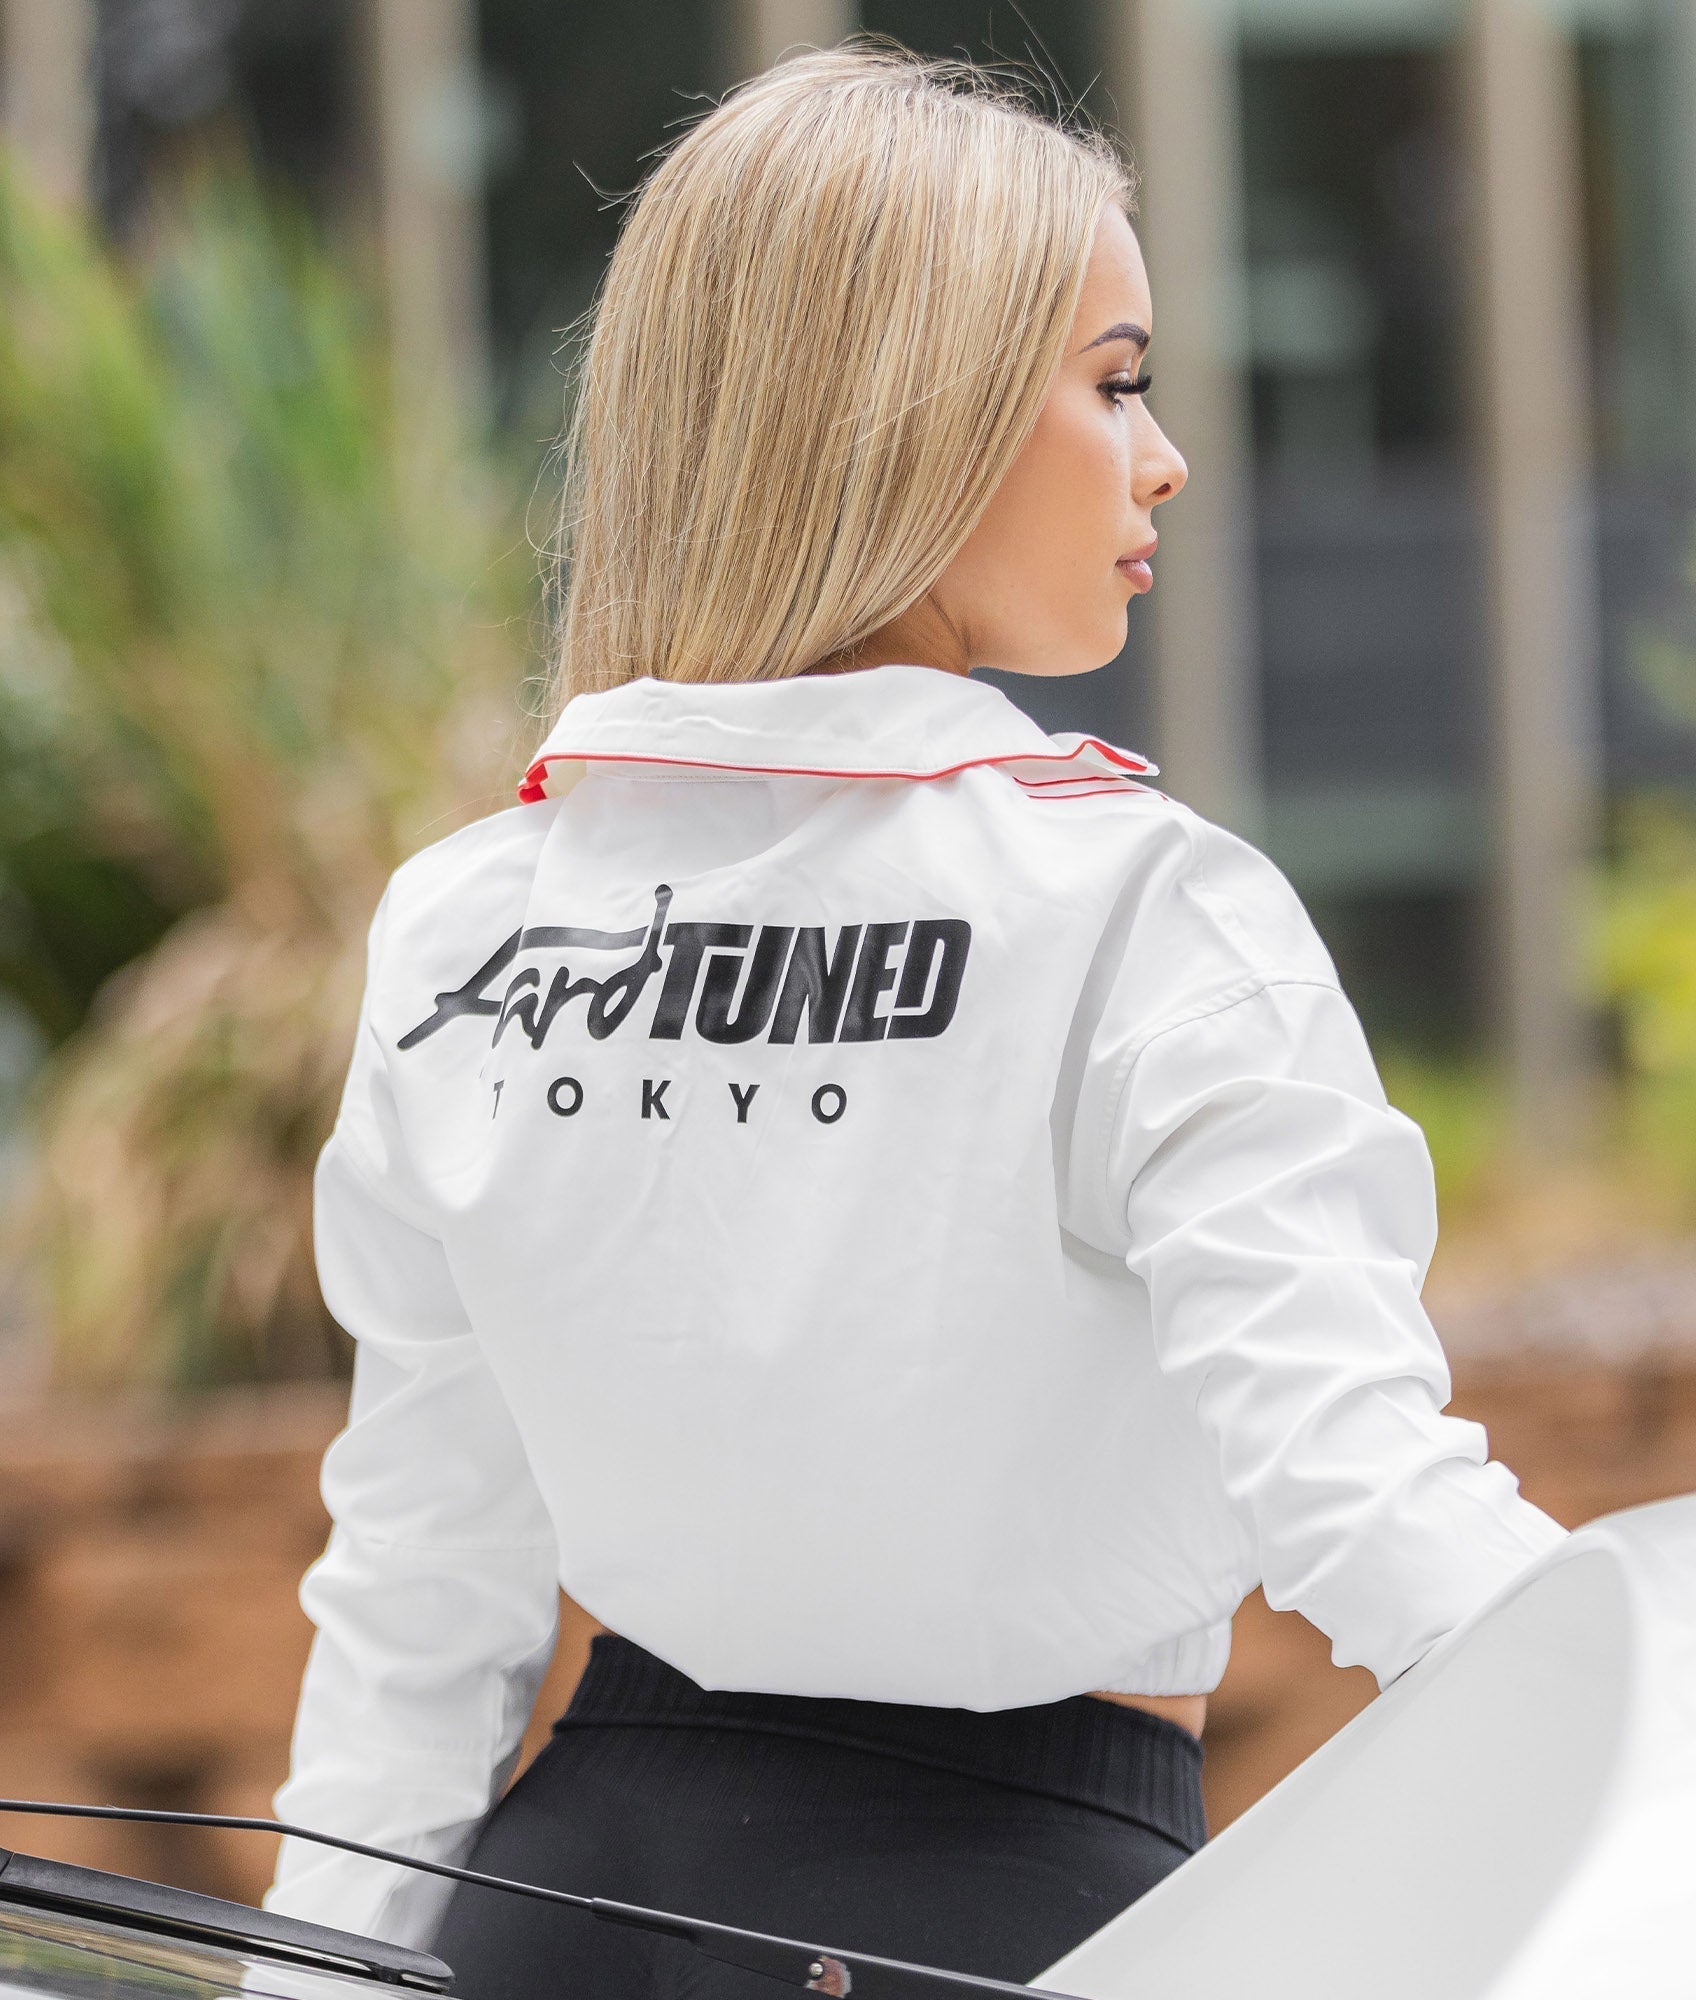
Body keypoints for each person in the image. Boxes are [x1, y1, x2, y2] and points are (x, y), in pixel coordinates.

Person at [263, 39, 1569, 1999]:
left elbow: (417, 1590)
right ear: (913, 413)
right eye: (1113, 381)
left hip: (547, 1922)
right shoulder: (1139, 910)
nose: (1164, 458)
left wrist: (304, 1982)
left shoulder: (467, 923)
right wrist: (1636, 1722)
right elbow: (1369, 1499)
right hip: (1003, 1923)